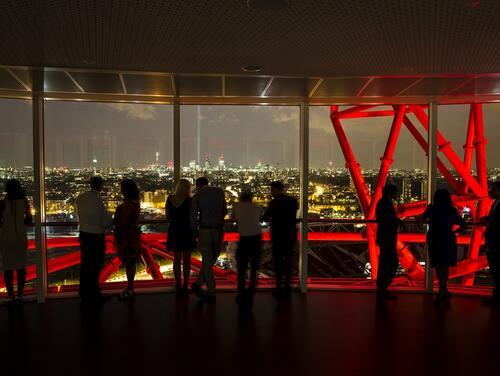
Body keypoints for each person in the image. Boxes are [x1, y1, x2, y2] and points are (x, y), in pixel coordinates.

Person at [423, 189, 466, 303]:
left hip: (435, 238)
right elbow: (463, 224)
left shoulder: (432, 209)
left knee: (438, 264)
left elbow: (422, 218)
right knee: (445, 265)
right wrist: (454, 233)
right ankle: (444, 290)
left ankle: (442, 291)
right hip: (447, 239)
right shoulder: (451, 210)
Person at [75, 176, 113, 304]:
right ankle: (94, 293)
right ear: (100, 185)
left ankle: (84, 292)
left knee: (85, 264)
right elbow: (105, 220)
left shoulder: (80, 198)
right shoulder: (97, 200)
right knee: (96, 265)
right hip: (96, 236)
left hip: (83, 234)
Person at [190, 177, 227, 302]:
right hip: (218, 230)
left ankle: (211, 291)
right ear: (207, 183)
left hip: (204, 230)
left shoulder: (197, 195)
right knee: (212, 259)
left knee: (207, 260)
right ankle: (199, 283)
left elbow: (193, 217)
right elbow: (225, 210)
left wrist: (194, 234)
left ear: (198, 185)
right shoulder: (220, 192)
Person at [262, 181, 298, 299]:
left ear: (276, 190)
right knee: (288, 261)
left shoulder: (274, 202)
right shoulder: (292, 201)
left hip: (278, 235)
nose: (271, 192)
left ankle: (278, 287)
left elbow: (265, 217)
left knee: (278, 262)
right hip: (290, 234)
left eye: (271, 190)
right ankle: (287, 287)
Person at [0, 179, 32, 303]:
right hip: (20, 238)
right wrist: (19, 223)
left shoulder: (2, 204)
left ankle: (10, 295)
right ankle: (20, 294)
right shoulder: (24, 202)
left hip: (6, 238)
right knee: (21, 267)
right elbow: (29, 220)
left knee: (8, 268)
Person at [232, 190, 263, 306]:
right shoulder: (257, 207)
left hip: (244, 239)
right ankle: (251, 292)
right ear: (251, 198)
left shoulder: (236, 206)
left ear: (240, 198)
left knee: (242, 267)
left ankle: (241, 292)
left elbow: (233, 218)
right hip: (256, 238)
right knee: (254, 268)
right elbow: (260, 218)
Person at [166, 179, 196, 297]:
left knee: (176, 259)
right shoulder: (189, 200)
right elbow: (193, 216)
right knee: (187, 260)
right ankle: (185, 284)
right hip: (186, 230)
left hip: (174, 230)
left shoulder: (170, 199)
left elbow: (168, 216)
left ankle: (178, 283)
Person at [114, 179, 141, 301]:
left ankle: (130, 288)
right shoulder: (136, 203)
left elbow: (123, 222)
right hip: (133, 236)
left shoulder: (127, 205)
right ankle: (130, 287)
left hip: (126, 237)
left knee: (129, 262)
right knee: (131, 262)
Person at [375, 184, 402, 301]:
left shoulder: (382, 203)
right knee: (391, 263)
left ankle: (382, 289)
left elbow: (384, 219)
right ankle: (383, 288)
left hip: (384, 238)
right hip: (388, 239)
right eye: (395, 192)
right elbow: (389, 220)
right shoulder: (386, 204)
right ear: (391, 193)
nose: (397, 195)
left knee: (385, 264)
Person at [482, 182, 500, 305]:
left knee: (497, 270)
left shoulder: (497, 204)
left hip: (496, 243)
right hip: (493, 242)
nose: (490, 191)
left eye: (493, 189)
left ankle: (497, 297)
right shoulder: (496, 203)